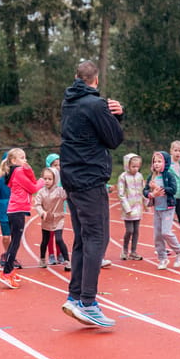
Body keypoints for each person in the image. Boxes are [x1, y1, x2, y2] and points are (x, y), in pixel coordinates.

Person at [60, 60, 124, 328]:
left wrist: (112, 116)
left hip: (72, 179)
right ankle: (88, 301)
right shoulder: (95, 104)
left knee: (82, 240)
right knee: (97, 237)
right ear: (96, 80)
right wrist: (118, 116)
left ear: (77, 77)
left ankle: (75, 297)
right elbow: (114, 139)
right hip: (89, 180)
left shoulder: (69, 102)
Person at [0, 148, 44, 289]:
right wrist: (42, 181)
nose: (25, 160)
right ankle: (5, 273)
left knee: (14, 242)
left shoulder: (16, 172)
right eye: (22, 158)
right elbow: (34, 187)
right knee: (15, 243)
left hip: (16, 211)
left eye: (25, 157)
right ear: (13, 161)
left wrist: (30, 171)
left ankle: (9, 270)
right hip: (17, 211)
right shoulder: (18, 172)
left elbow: (31, 180)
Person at [143, 151, 180, 270]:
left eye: (159, 161)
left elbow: (173, 189)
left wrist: (158, 188)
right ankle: (162, 258)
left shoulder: (169, 176)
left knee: (166, 232)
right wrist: (151, 194)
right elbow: (145, 191)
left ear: (165, 162)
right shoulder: (151, 177)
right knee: (157, 235)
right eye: (154, 161)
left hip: (168, 208)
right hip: (157, 209)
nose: (156, 164)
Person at [35, 166, 71, 271]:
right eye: (45, 179)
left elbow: (68, 195)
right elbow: (37, 204)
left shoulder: (60, 191)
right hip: (46, 219)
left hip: (58, 218)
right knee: (45, 240)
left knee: (59, 239)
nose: (47, 181)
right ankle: (42, 259)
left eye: (50, 179)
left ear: (55, 179)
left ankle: (67, 261)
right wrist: (42, 213)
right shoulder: (41, 192)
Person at [117, 153, 145, 260]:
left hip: (138, 207)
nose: (136, 169)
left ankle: (133, 251)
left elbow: (143, 190)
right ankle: (124, 250)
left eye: (137, 166)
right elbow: (121, 193)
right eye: (133, 166)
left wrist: (146, 203)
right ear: (127, 165)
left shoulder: (139, 176)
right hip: (128, 209)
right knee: (130, 230)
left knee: (136, 230)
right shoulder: (123, 177)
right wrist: (127, 208)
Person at [45, 153, 63, 265]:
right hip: (49, 209)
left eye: (59, 165)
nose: (58, 167)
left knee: (59, 233)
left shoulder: (62, 177)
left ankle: (60, 254)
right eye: (55, 165)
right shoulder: (47, 178)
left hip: (60, 209)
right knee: (50, 233)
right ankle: (51, 254)